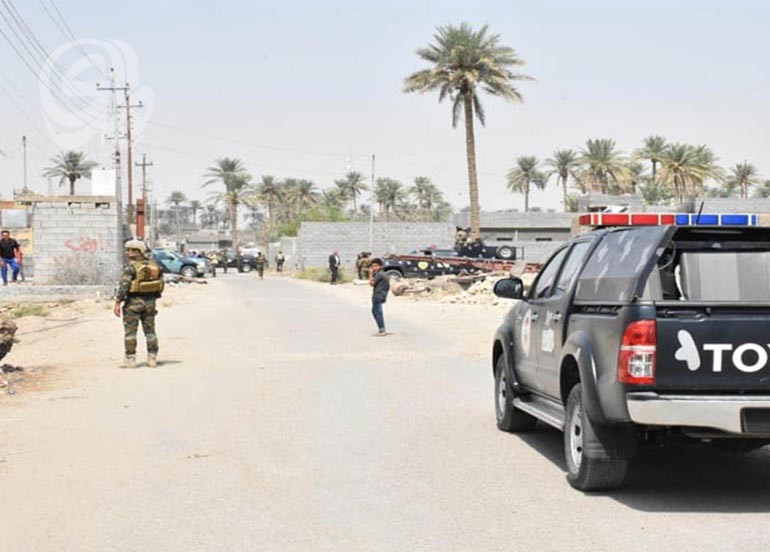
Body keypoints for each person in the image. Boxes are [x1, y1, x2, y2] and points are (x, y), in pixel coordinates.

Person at [113, 240, 164, 369]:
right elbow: (160, 285)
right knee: (150, 332)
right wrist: (153, 297)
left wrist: (118, 301)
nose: (127, 252)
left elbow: (124, 286)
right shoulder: (154, 266)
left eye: (130, 250)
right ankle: (152, 359)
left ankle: (130, 360)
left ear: (137, 252)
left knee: (130, 333)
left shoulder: (131, 268)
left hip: (133, 303)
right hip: (150, 303)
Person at [369, 258, 390, 336]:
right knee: (375, 311)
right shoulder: (384, 274)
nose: (374, 268)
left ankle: (382, 330)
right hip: (381, 295)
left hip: (378, 295)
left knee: (377, 312)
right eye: (373, 266)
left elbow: (371, 283)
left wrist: (370, 274)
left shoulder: (379, 274)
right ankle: (381, 328)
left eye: (376, 266)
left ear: (380, 266)